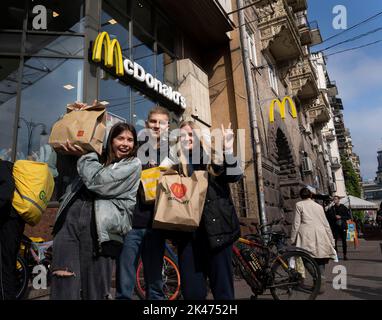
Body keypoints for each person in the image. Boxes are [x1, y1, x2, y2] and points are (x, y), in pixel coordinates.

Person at [50, 122, 141, 300]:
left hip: (101, 233)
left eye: (130, 140)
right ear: (110, 140)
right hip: (68, 224)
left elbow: (100, 182)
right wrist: (76, 126)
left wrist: (85, 154)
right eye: (120, 138)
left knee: (96, 291)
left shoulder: (133, 164)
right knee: (63, 285)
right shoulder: (94, 159)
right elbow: (64, 170)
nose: (125, 143)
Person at [173, 121, 242, 300]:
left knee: (223, 294)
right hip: (189, 240)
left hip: (218, 236)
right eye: (182, 136)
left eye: (190, 134)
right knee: (192, 294)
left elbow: (234, 175)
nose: (186, 139)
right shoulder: (175, 166)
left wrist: (227, 148)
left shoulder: (213, 158)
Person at [116, 106, 175, 300]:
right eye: (153, 122)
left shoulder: (173, 153)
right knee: (124, 284)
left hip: (157, 224)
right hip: (131, 223)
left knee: (155, 284)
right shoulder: (135, 147)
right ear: (147, 124)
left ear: (168, 126)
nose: (157, 126)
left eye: (162, 122)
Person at [291, 187, 337, 293]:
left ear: (301, 196)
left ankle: (319, 278)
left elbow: (296, 223)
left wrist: (293, 238)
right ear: (311, 195)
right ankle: (320, 282)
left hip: (306, 234)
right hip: (321, 233)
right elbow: (325, 223)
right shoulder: (319, 206)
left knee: (306, 257)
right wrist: (331, 239)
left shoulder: (299, 205)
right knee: (320, 258)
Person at [0, 159, 25, 300]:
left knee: (4, 271)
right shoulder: (6, 167)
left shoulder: (1, 167)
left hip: (7, 224)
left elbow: (5, 194)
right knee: (7, 269)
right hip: (12, 223)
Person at [326, 196, 351, 260]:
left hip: (343, 226)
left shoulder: (343, 207)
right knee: (335, 241)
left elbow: (348, 217)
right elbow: (328, 217)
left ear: (339, 200)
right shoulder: (332, 208)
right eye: (334, 199)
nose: (334, 200)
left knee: (344, 241)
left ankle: (345, 255)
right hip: (335, 227)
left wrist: (341, 217)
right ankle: (336, 254)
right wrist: (334, 217)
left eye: (336, 199)